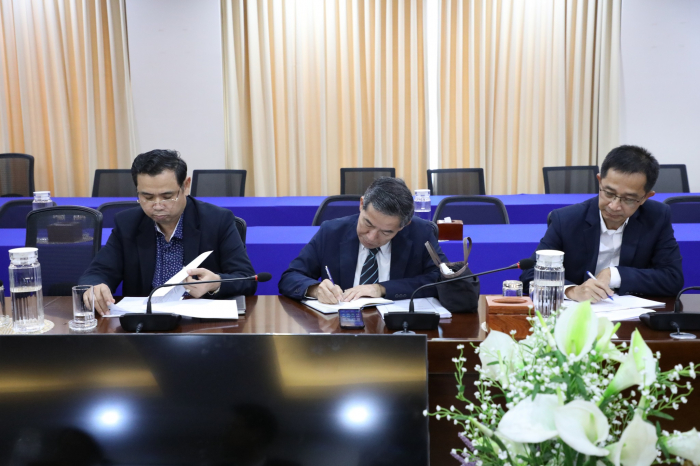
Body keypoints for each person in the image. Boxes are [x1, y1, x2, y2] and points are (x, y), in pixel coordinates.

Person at [79, 150, 256, 315]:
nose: (157, 205)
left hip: (199, 323)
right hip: (144, 324)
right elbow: (98, 271)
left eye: (167, 196)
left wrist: (215, 283)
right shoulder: (128, 223)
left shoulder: (217, 220)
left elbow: (246, 279)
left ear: (186, 186)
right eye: (147, 197)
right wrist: (95, 286)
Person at [521, 145, 684, 302]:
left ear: (645, 197)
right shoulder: (566, 219)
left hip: (632, 314)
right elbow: (530, 275)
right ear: (599, 181)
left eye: (628, 199)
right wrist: (572, 290)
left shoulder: (656, 217)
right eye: (609, 193)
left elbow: (672, 279)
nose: (614, 206)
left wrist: (615, 275)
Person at [278, 177, 447, 304]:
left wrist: (381, 288)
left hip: (399, 328)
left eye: (386, 232)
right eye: (368, 223)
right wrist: (315, 289)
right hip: (341, 327)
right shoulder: (332, 232)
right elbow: (290, 277)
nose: (371, 237)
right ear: (361, 204)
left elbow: (442, 280)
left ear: (404, 225)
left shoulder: (420, 233)